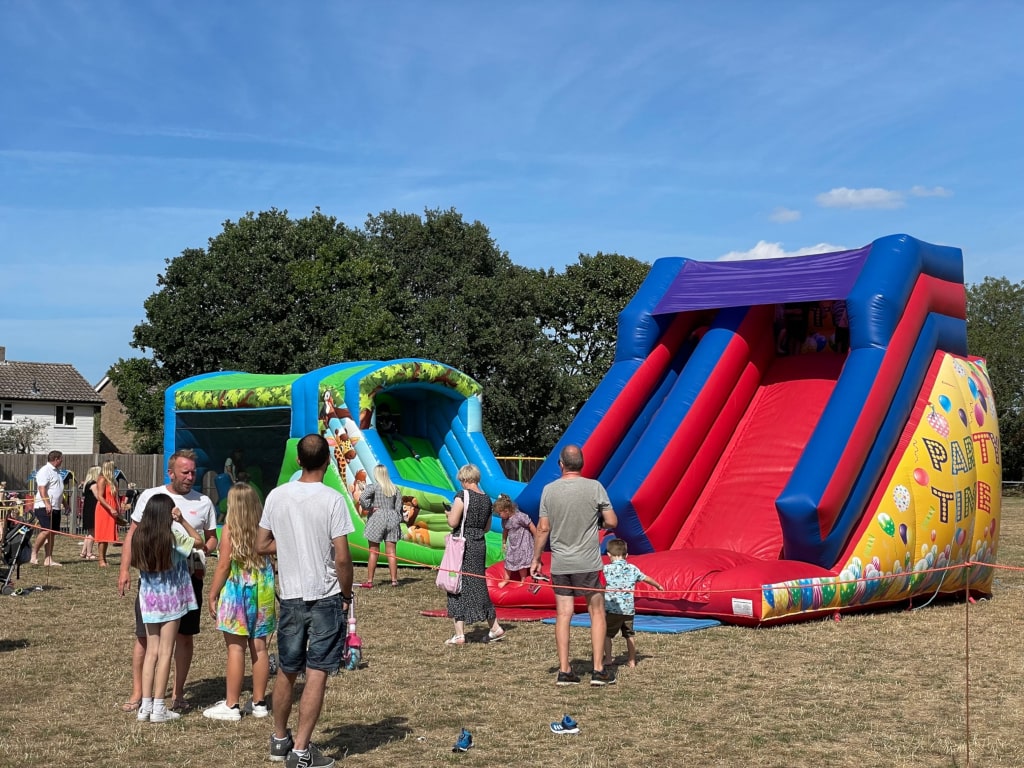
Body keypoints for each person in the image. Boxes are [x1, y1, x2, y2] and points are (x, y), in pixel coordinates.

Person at [256, 433, 354, 768]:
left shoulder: (277, 496)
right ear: (328, 462)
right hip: (324, 595)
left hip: (291, 596)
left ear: (298, 460)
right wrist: (346, 593)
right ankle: (300, 751)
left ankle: (280, 738)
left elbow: (260, 543)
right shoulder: (332, 499)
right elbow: (342, 557)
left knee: (287, 669)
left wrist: (289, 546)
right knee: (316, 672)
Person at [118, 449, 218, 714]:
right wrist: (124, 570)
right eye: (185, 472)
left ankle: (177, 693)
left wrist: (206, 549)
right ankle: (141, 694)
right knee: (145, 640)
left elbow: (209, 539)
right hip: (161, 585)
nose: (190, 477)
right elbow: (133, 535)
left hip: (189, 578)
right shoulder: (152, 497)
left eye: (193, 472)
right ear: (170, 472)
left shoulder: (204, 501)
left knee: (184, 638)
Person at [531, 444, 618, 686]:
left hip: (561, 564)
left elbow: (543, 528)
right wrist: (598, 524)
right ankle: (599, 670)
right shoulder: (594, 487)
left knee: (563, 614)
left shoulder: (549, 490)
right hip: (588, 562)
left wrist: (536, 559)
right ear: (582, 464)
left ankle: (564, 670)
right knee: (597, 612)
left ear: (561, 464)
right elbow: (611, 520)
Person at [204, 483, 277, 721]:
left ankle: (232, 704)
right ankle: (259, 702)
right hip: (263, 592)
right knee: (260, 648)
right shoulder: (266, 528)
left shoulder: (229, 529)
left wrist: (212, 593)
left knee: (235, 648)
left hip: (237, 592)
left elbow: (224, 565)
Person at [132, 493, 204, 723]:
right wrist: (182, 520)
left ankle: (145, 706)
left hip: (149, 600)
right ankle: (160, 706)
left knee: (151, 652)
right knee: (165, 653)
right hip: (172, 600)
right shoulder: (172, 535)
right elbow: (199, 542)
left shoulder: (140, 537)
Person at [444, 464, 505, 646]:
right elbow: (486, 527)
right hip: (479, 544)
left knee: (455, 584)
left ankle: (460, 633)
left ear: (464, 479)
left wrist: (448, 514)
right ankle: (493, 626)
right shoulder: (487, 499)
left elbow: (453, 521)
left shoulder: (462, 496)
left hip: (462, 545)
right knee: (478, 584)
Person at [601, 538, 664, 668]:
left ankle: (608, 659)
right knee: (629, 634)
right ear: (627, 555)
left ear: (608, 554)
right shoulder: (632, 568)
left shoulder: (606, 568)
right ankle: (631, 660)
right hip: (628, 610)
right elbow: (646, 578)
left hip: (613, 610)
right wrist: (658, 586)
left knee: (606, 634)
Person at [359, 464, 402, 588]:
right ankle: (394, 580)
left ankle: (370, 581)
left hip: (377, 517)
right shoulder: (395, 489)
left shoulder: (374, 487)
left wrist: (369, 507)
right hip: (392, 518)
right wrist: (396, 517)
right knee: (392, 552)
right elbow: (398, 507)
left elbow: (362, 498)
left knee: (373, 551)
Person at [494, 494, 537, 589]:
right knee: (508, 560)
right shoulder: (504, 520)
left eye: (499, 513)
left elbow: (531, 525)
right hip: (513, 544)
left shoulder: (519, 516)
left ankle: (523, 579)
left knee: (521, 562)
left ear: (507, 510)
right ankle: (506, 579)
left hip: (523, 543)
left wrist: (537, 537)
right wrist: (504, 542)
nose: (499, 515)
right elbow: (505, 531)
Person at [30, 450, 64, 567]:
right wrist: (47, 503)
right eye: (61, 459)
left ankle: (48, 558)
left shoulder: (58, 472)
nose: (62, 461)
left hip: (56, 507)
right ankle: (33, 554)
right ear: (56, 459)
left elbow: (58, 489)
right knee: (46, 531)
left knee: (52, 533)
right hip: (44, 506)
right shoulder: (45, 470)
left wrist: (65, 503)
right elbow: (42, 488)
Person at [93, 460, 123, 567]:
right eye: (113, 468)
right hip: (104, 509)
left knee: (107, 535)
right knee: (102, 535)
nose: (115, 470)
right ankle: (101, 560)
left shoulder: (112, 481)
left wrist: (118, 509)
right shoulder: (102, 480)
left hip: (111, 508)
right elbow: (100, 497)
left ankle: (104, 559)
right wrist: (110, 508)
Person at [79, 466, 101, 560]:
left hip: (88, 509)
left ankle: (83, 552)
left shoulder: (87, 483)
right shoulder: (93, 484)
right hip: (92, 509)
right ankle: (89, 553)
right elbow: (98, 497)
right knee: (92, 532)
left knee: (89, 532)